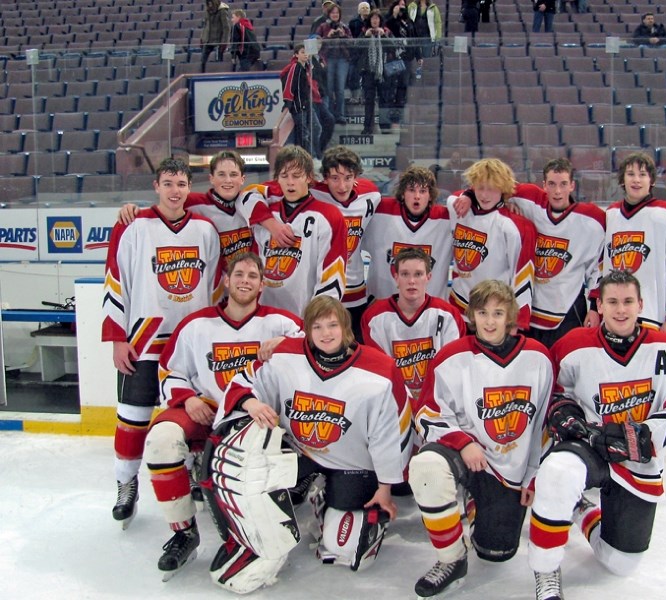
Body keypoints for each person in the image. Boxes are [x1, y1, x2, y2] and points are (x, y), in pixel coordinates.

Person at [211, 296, 411, 593]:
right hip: (300, 450)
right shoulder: (285, 355)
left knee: (345, 550)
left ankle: (328, 502)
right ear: (306, 330)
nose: (325, 333)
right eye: (317, 326)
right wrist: (250, 401)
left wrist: (385, 488)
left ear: (346, 328)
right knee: (236, 449)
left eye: (332, 325)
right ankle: (254, 537)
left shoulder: (379, 370)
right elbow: (242, 381)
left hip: (354, 465)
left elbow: (391, 433)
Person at [527, 270, 666, 600]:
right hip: (589, 446)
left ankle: (582, 510)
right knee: (558, 472)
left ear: (641, 304)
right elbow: (553, 395)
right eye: (613, 302)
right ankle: (546, 570)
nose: (621, 310)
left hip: (636, 459)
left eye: (628, 301)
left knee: (621, 563)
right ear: (600, 306)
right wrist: (567, 416)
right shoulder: (572, 346)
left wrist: (638, 436)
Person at [143, 253, 303, 578]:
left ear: (262, 284)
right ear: (226, 280)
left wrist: (288, 345)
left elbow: (318, 353)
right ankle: (183, 532)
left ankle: (251, 535)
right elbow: (168, 370)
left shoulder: (281, 323)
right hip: (206, 412)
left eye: (253, 276)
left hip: (256, 419)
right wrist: (186, 399)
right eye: (239, 274)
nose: (245, 280)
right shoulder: (196, 325)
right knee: (161, 441)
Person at [409, 280, 554, 599]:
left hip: (508, 470)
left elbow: (542, 424)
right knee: (427, 468)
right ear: (471, 315)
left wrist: (531, 477)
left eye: (498, 313)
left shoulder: (538, 357)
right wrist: (463, 441)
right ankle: (451, 560)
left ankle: (476, 503)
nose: (490, 321)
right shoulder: (452, 356)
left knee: (495, 553)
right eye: (483, 312)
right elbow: (426, 412)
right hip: (464, 455)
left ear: (510, 317)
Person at [102, 158, 223, 528]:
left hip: (189, 345)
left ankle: (187, 473)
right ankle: (126, 484)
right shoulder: (132, 225)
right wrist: (116, 337)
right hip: (143, 342)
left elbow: (216, 288)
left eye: (181, 184)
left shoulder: (205, 228)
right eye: (168, 183)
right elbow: (115, 281)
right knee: (133, 419)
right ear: (156, 186)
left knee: (190, 419)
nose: (175, 191)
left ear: (190, 188)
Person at [237, 145, 348, 318]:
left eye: (296, 176)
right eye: (284, 176)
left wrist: (318, 318)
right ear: (277, 179)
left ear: (309, 177)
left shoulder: (329, 216)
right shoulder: (265, 214)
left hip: (304, 318)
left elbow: (333, 274)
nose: (290, 182)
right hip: (262, 316)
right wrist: (272, 225)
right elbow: (244, 197)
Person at [505, 159, 606, 348]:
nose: (557, 191)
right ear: (543, 185)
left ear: (572, 186)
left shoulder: (592, 220)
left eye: (563, 184)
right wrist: (504, 204)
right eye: (551, 184)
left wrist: (594, 308)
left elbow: (599, 268)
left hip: (569, 312)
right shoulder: (529, 199)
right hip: (531, 311)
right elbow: (493, 186)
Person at [603, 152, 666, 336]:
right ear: (622, 179)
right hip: (612, 319)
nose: (636, 180)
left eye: (643, 174)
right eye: (630, 174)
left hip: (652, 319)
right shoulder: (610, 214)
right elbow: (601, 267)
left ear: (652, 180)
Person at [361, 247, 465, 401]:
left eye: (418, 274)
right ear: (396, 277)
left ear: (428, 277)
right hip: (394, 402)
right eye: (404, 274)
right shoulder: (374, 318)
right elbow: (379, 372)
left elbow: (452, 369)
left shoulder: (449, 315)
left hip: (437, 401)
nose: (411, 281)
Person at [446, 158, 537, 332]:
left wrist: (517, 322)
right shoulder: (459, 209)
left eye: (492, 189)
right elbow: (454, 196)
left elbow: (523, 276)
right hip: (458, 308)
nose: (485, 195)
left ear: (503, 189)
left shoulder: (516, 227)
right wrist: (468, 195)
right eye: (480, 188)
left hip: (493, 315)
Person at [119, 151, 256, 267]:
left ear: (242, 179)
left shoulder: (252, 205)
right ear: (211, 178)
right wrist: (133, 209)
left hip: (244, 287)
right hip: (212, 288)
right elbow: (165, 206)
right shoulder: (194, 201)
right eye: (221, 174)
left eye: (233, 174)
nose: (228, 180)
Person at [306, 146, 382, 338]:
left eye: (348, 178)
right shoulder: (313, 193)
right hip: (322, 290)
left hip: (357, 293)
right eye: (334, 178)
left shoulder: (371, 196)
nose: (342, 186)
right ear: (324, 177)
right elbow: (278, 185)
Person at [362, 165, 452, 301]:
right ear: (403, 193)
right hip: (383, 308)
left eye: (422, 191)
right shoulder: (379, 211)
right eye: (411, 190)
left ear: (430, 196)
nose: (417, 196)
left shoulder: (447, 219)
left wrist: (466, 198)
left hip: (429, 311)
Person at [386, 0, 422, 128]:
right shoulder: (390, 20)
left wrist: (419, 56)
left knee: (403, 86)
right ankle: (390, 118)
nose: (401, 8)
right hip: (394, 58)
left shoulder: (410, 22)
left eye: (403, 6)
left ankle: (398, 118)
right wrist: (394, 16)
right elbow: (387, 28)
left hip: (407, 58)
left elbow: (415, 39)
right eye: (399, 5)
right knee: (392, 86)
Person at [359, 9, 394, 135]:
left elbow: (393, 48)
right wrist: (365, 37)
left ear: (380, 20)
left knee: (384, 99)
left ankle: (385, 126)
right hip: (368, 71)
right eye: (372, 18)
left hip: (383, 71)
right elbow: (356, 49)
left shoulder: (386, 32)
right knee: (369, 100)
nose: (375, 20)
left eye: (377, 18)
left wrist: (383, 35)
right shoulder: (364, 32)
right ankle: (367, 127)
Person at [317, 3, 353, 124]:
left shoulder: (345, 27)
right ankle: (330, 114)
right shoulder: (323, 27)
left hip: (343, 59)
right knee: (329, 88)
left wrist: (343, 36)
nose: (335, 15)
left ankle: (340, 115)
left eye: (337, 13)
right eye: (333, 13)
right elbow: (317, 42)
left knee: (340, 89)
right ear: (329, 14)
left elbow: (352, 43)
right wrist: (328, 36)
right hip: (328, 59)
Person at [281, 45, 314, 154]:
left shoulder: (306, 68)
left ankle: (308, 157)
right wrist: (289, 103)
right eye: (302, 52)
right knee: (304, 135)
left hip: (305, 106)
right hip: (299, 107)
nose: (305, 54)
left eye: (307, 52)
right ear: (296, 54)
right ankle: (307, 159)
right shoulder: (295, 67)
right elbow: (289, 86)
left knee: (309, 132)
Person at [348, 2, 372, 106]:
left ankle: (365, 97)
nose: (365, 9)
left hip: (369, 53)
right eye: (363, 8)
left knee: (368, 77)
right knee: (354, 75)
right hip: (356, 52)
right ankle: (355, 97)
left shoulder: (372, 21)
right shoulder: (353, 22)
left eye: (367, 8)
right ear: (359, 10)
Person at [200, 0, 231, 73]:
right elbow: (205, 25)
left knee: (218, 63)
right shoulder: (208, 11)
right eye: (208, 3)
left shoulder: (222, 11)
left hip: (218, 41)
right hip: (208, 40)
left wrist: (224, 42)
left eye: (211, 3)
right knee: (202, 61)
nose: (210, 5)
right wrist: (202, 38)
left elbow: (226, 28)